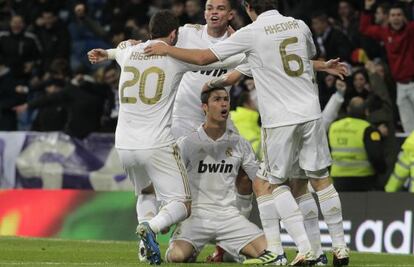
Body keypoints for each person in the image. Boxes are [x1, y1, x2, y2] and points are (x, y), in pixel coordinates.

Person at [144, 1, 350, 265]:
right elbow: (295, 57)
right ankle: (338, 249)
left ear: (245, 9)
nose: (213, 12)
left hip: (279, 119)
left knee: (267, 183)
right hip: (309, 113)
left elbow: (203, 58)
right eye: (209, 7)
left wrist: (165, 49)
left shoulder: (249, 35)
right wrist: (323, 65)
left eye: (220, 7)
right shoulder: (298, 25)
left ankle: (284, 249)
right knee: (315, 180)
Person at [87, 10, 244, 265]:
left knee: (146, 193)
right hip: (156, 143)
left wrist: (107, 53)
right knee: (182, 204)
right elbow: (209, 60)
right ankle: (150, 228)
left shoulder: (128, 52)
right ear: (174, 35)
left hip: (124, 145)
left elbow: (121, 48)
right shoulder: (174, 57)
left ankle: (143, 248)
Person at [167, 86, 278, 264]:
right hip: (196, 216)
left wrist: (278, 192)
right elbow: (171, 180)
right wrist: (168, 215)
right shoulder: (187, 143)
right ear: (205, 107)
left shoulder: (240, 143)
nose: (223, 103)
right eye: (217, 100)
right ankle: (191, 249)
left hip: (228, 216)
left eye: (225, 99)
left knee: (269, 252)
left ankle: (227, 252)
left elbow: (258, 181)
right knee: (176, 257)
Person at [360, 0, 414, 133]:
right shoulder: (384, 32)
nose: (396, 18)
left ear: (404, 17)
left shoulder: (411, 30)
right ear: (388, 18)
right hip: (400, 86)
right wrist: (367, 9)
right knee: (408, 127)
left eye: (399, 15)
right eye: (393, 15)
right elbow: (364, 29)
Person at [329, 96, 386, 191]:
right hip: (363, 178)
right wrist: (382, 171)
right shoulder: (368, 129)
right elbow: (376, 156)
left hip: (338, 177)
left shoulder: (334, 126)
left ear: (348, 109)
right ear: (366, 111)